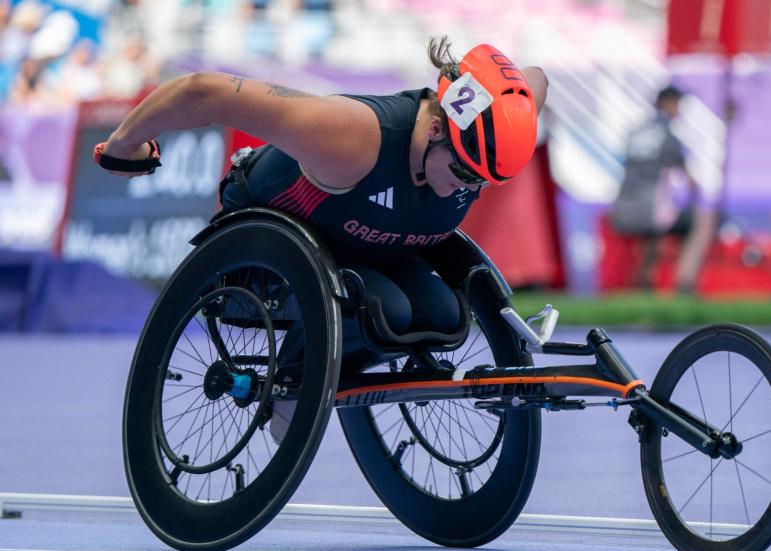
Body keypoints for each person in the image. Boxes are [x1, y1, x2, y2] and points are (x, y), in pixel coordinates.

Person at [95, 35, 546, 340]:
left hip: (367, 245)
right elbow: (202, 91)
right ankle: (294, 381)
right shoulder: (351, 137)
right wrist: (124, 144)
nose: (465, 188)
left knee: (445, 316)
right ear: (434, 129)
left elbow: (534, 80)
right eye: (465, 172)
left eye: (485, 180)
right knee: (388, 309)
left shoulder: (486, 136)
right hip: (276, 243)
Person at [608, 85, 704, 293]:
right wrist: (698, 198)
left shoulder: (635, 132)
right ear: (668, 104)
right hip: (649, 211)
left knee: (656, 229)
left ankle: (644, 279)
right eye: (677, 104)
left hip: (622, 210)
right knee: (698, 221)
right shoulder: (667, 135)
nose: (679, 110)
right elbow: (690, 181)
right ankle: (684, 283)